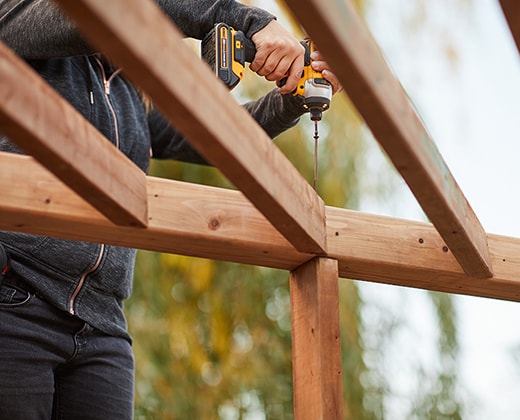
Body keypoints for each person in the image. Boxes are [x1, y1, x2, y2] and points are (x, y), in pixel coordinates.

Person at [0, 0, 342, 418]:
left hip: (102, 327)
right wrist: (250, 22)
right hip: (15, 303)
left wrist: (291, 96)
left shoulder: (130, 92)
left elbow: (216, 139)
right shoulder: (19, 18)